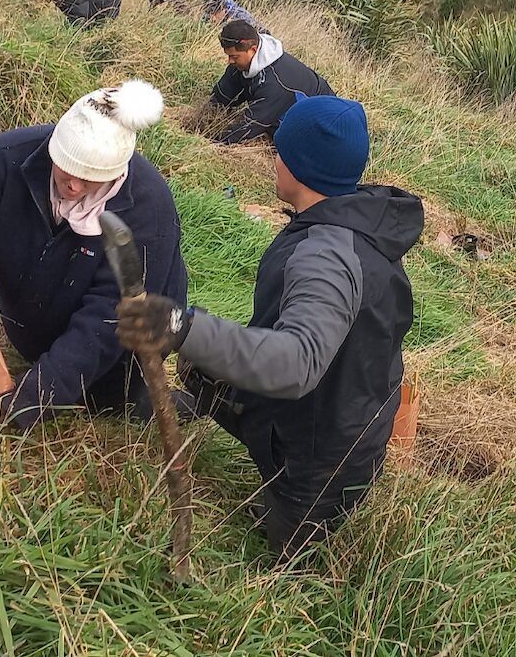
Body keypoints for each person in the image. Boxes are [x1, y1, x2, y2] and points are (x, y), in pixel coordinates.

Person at [118, 95, 422, 558]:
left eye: (280, 149)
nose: (273, 157)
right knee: (206, 370)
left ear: (300, 166)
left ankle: (299, 512)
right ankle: (229, 414)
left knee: (285, 560)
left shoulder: (326, 257)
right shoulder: (348, 215)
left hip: (325, 457)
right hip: (339, 404)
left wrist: (182, 328)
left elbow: (295, 364)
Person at [0, 80, 187, 430]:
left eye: (90, 179)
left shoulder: (149, 206)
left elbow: (107, 320)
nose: (73, 186)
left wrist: (37, 397)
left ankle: (141, 399)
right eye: (67, 169)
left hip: (120, 359)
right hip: (28, 333)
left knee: (111, 404)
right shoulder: (7, 159)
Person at [208, 19, 332, 144]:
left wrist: (212, 141)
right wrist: (205, 116)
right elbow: (222, 95)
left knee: (282, 140)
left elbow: (250, 125)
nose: (230, 61)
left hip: (320, 128)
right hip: (282, 106)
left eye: (234, 57)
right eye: (228, 56)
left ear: (253, 50)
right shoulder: (241, 63)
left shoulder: (276, 83)